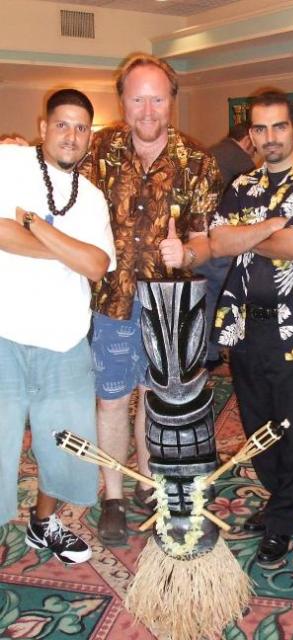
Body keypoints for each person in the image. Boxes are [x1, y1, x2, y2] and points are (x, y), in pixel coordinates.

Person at [80, 54, 222, 546]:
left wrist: (188, 252)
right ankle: (114, 497)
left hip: (170, 306)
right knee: (112, 399)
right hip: (113, 302)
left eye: (157, 99)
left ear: (172, 101)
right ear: (122, 100)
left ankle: (148, 482)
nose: (147, 109)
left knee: (157, 399)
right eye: (137, 98)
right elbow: (50, 172)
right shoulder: (97, 150)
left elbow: (205, 241)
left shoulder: (198, 161)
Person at [210, 91, 293, 566]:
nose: (270, 137)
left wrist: (247, 234)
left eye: (279, 126)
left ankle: (284, 519)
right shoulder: (242, 184)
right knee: (258, 426)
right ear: (252, 134)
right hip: (246, 327)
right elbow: (218, 242)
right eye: (261, 129)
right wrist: (271, 228)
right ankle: (277, 496)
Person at [0, 89, 115, 564]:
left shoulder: (92, 197)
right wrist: (69, 250)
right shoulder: (9, 163)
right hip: (4, 334)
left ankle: (43, 522)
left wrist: (36, 227)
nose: (71, 135)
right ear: (43, 127)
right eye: (62, 124)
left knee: (66, 444)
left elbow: (98, 265)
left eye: (81, 127)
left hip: (66, 339)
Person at [196, 123, 256, 370]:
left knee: (207, 299)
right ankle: (227, 354)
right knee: (231, 298)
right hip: (223, 242)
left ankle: (207, 357)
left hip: (200, 240)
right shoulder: (240, 160)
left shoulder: (209, 152)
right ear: (248, 139)